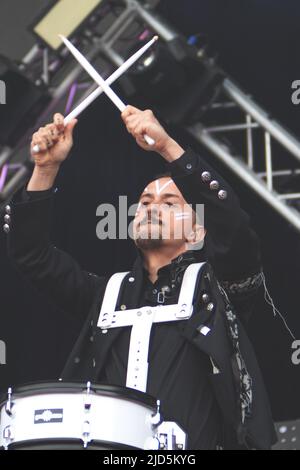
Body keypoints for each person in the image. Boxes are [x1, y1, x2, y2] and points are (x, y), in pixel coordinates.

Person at [4, 106, 277, 449]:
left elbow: (233, 229)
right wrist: (45, 168)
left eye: (169, 202)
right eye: (145, 200)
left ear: (197, 232)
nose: (151, 206)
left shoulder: (217, 288)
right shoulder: (106, 295)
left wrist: (166, 147)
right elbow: (32, 255)